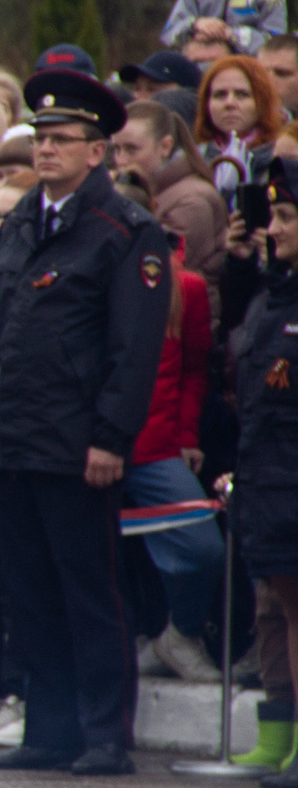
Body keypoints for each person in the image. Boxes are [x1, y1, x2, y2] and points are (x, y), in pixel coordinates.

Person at [0, 70, 171, 776]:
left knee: (88, 587)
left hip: (79, 442)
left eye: (61, 140)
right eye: (40, 138)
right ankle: (48, 729)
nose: (45, 150)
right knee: (29, 589)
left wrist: (111, 437)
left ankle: (105, 733)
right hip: (19, 435)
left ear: (97, 152)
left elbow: (133, 348)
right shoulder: (21, 221)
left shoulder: (125, 230)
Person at [118, 219, 223, 683]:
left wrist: (185, 435)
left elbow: (196, 368)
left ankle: (181, 631)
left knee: (202, 547)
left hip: (155, 443)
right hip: (84, 446)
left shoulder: (186, 287)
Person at [228, 164, 298, 784]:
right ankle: (278, 732)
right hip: (268, 481)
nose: (271, 229)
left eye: (285, 218)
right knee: (274, 610)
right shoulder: (274, 294)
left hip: (289, 480)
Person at [110, 99, 226, 278]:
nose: (121, 160)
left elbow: (155, 266)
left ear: (165, 146)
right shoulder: (145, 188)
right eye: (116, 149)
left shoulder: (192, 200)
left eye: (131, 149)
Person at [193, 55, 285, 192]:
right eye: (220, 95)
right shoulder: (192, 161)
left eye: (242, 94)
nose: (229, 103)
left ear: (262, 101)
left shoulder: (282, 158)